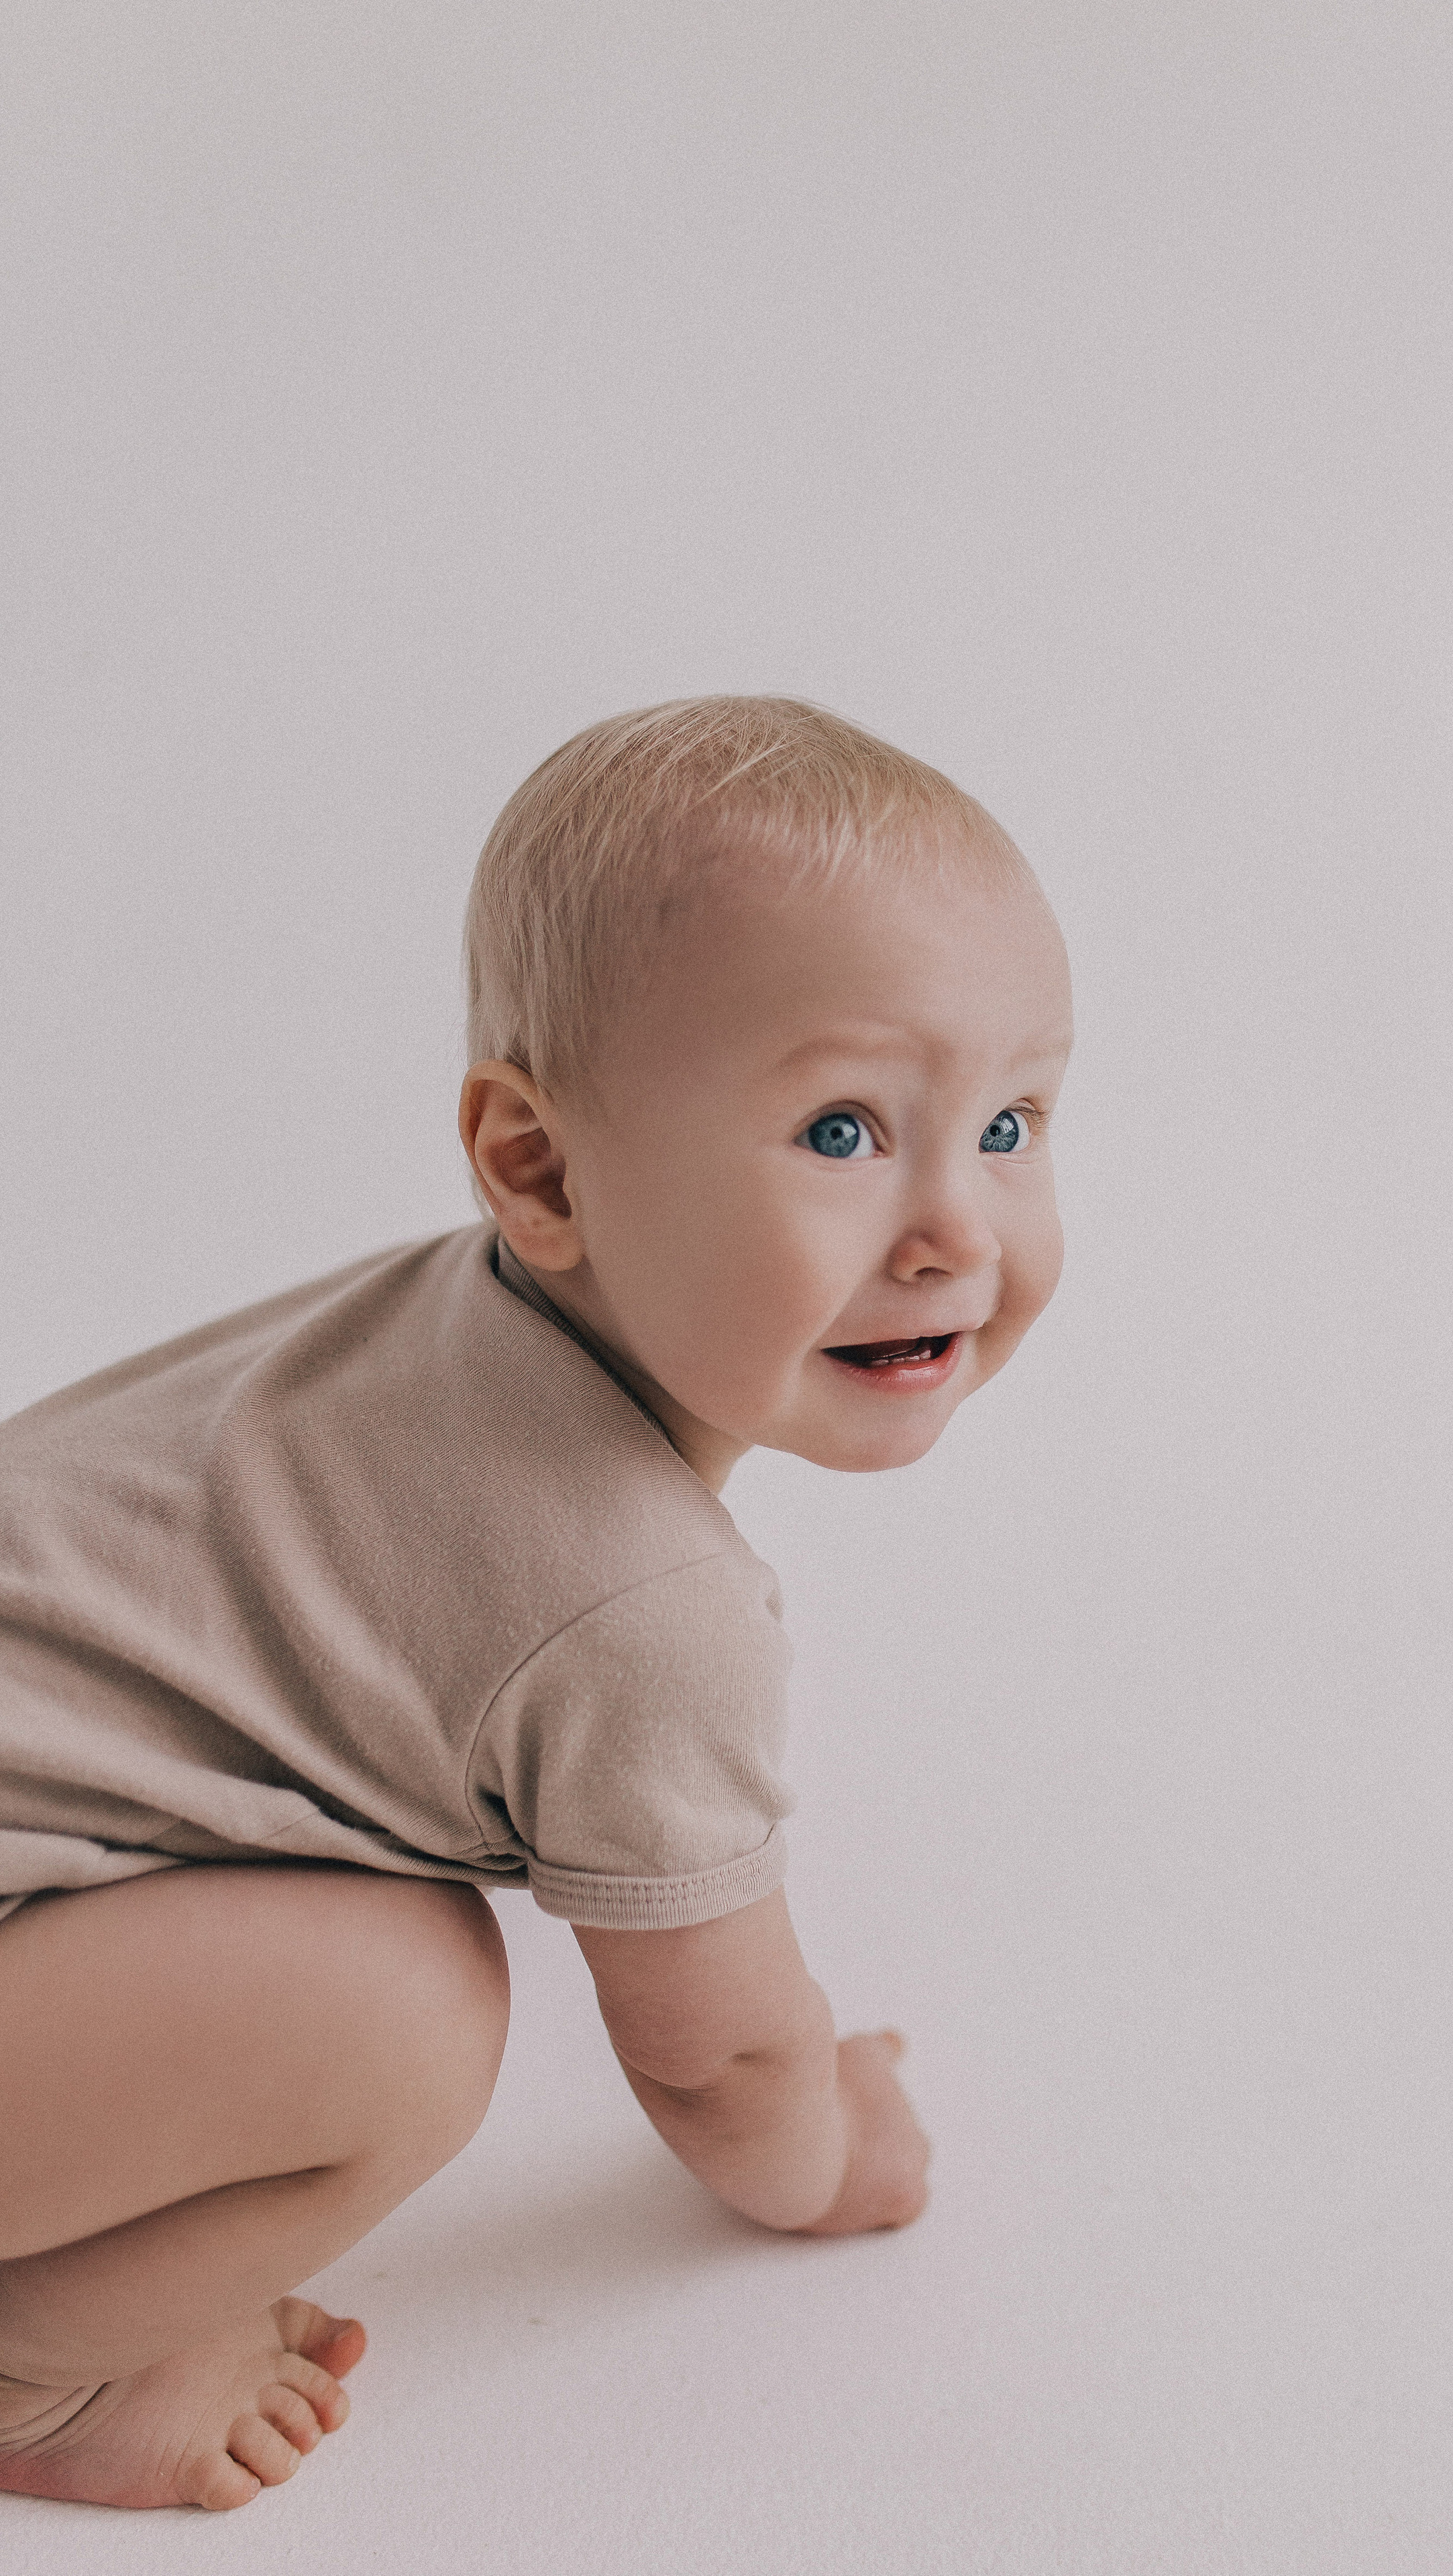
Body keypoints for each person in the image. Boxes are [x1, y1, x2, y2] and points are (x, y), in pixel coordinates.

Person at [0, 697, 1074, 2512]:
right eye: (840, 1130)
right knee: (402, 2013)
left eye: (1011, 1121)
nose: (956, 1227)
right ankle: (29, 2373)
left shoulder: (439, 1323)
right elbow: (719, 2053)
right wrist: (829, 2152)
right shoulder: (642, 1612)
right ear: (542, 1168)